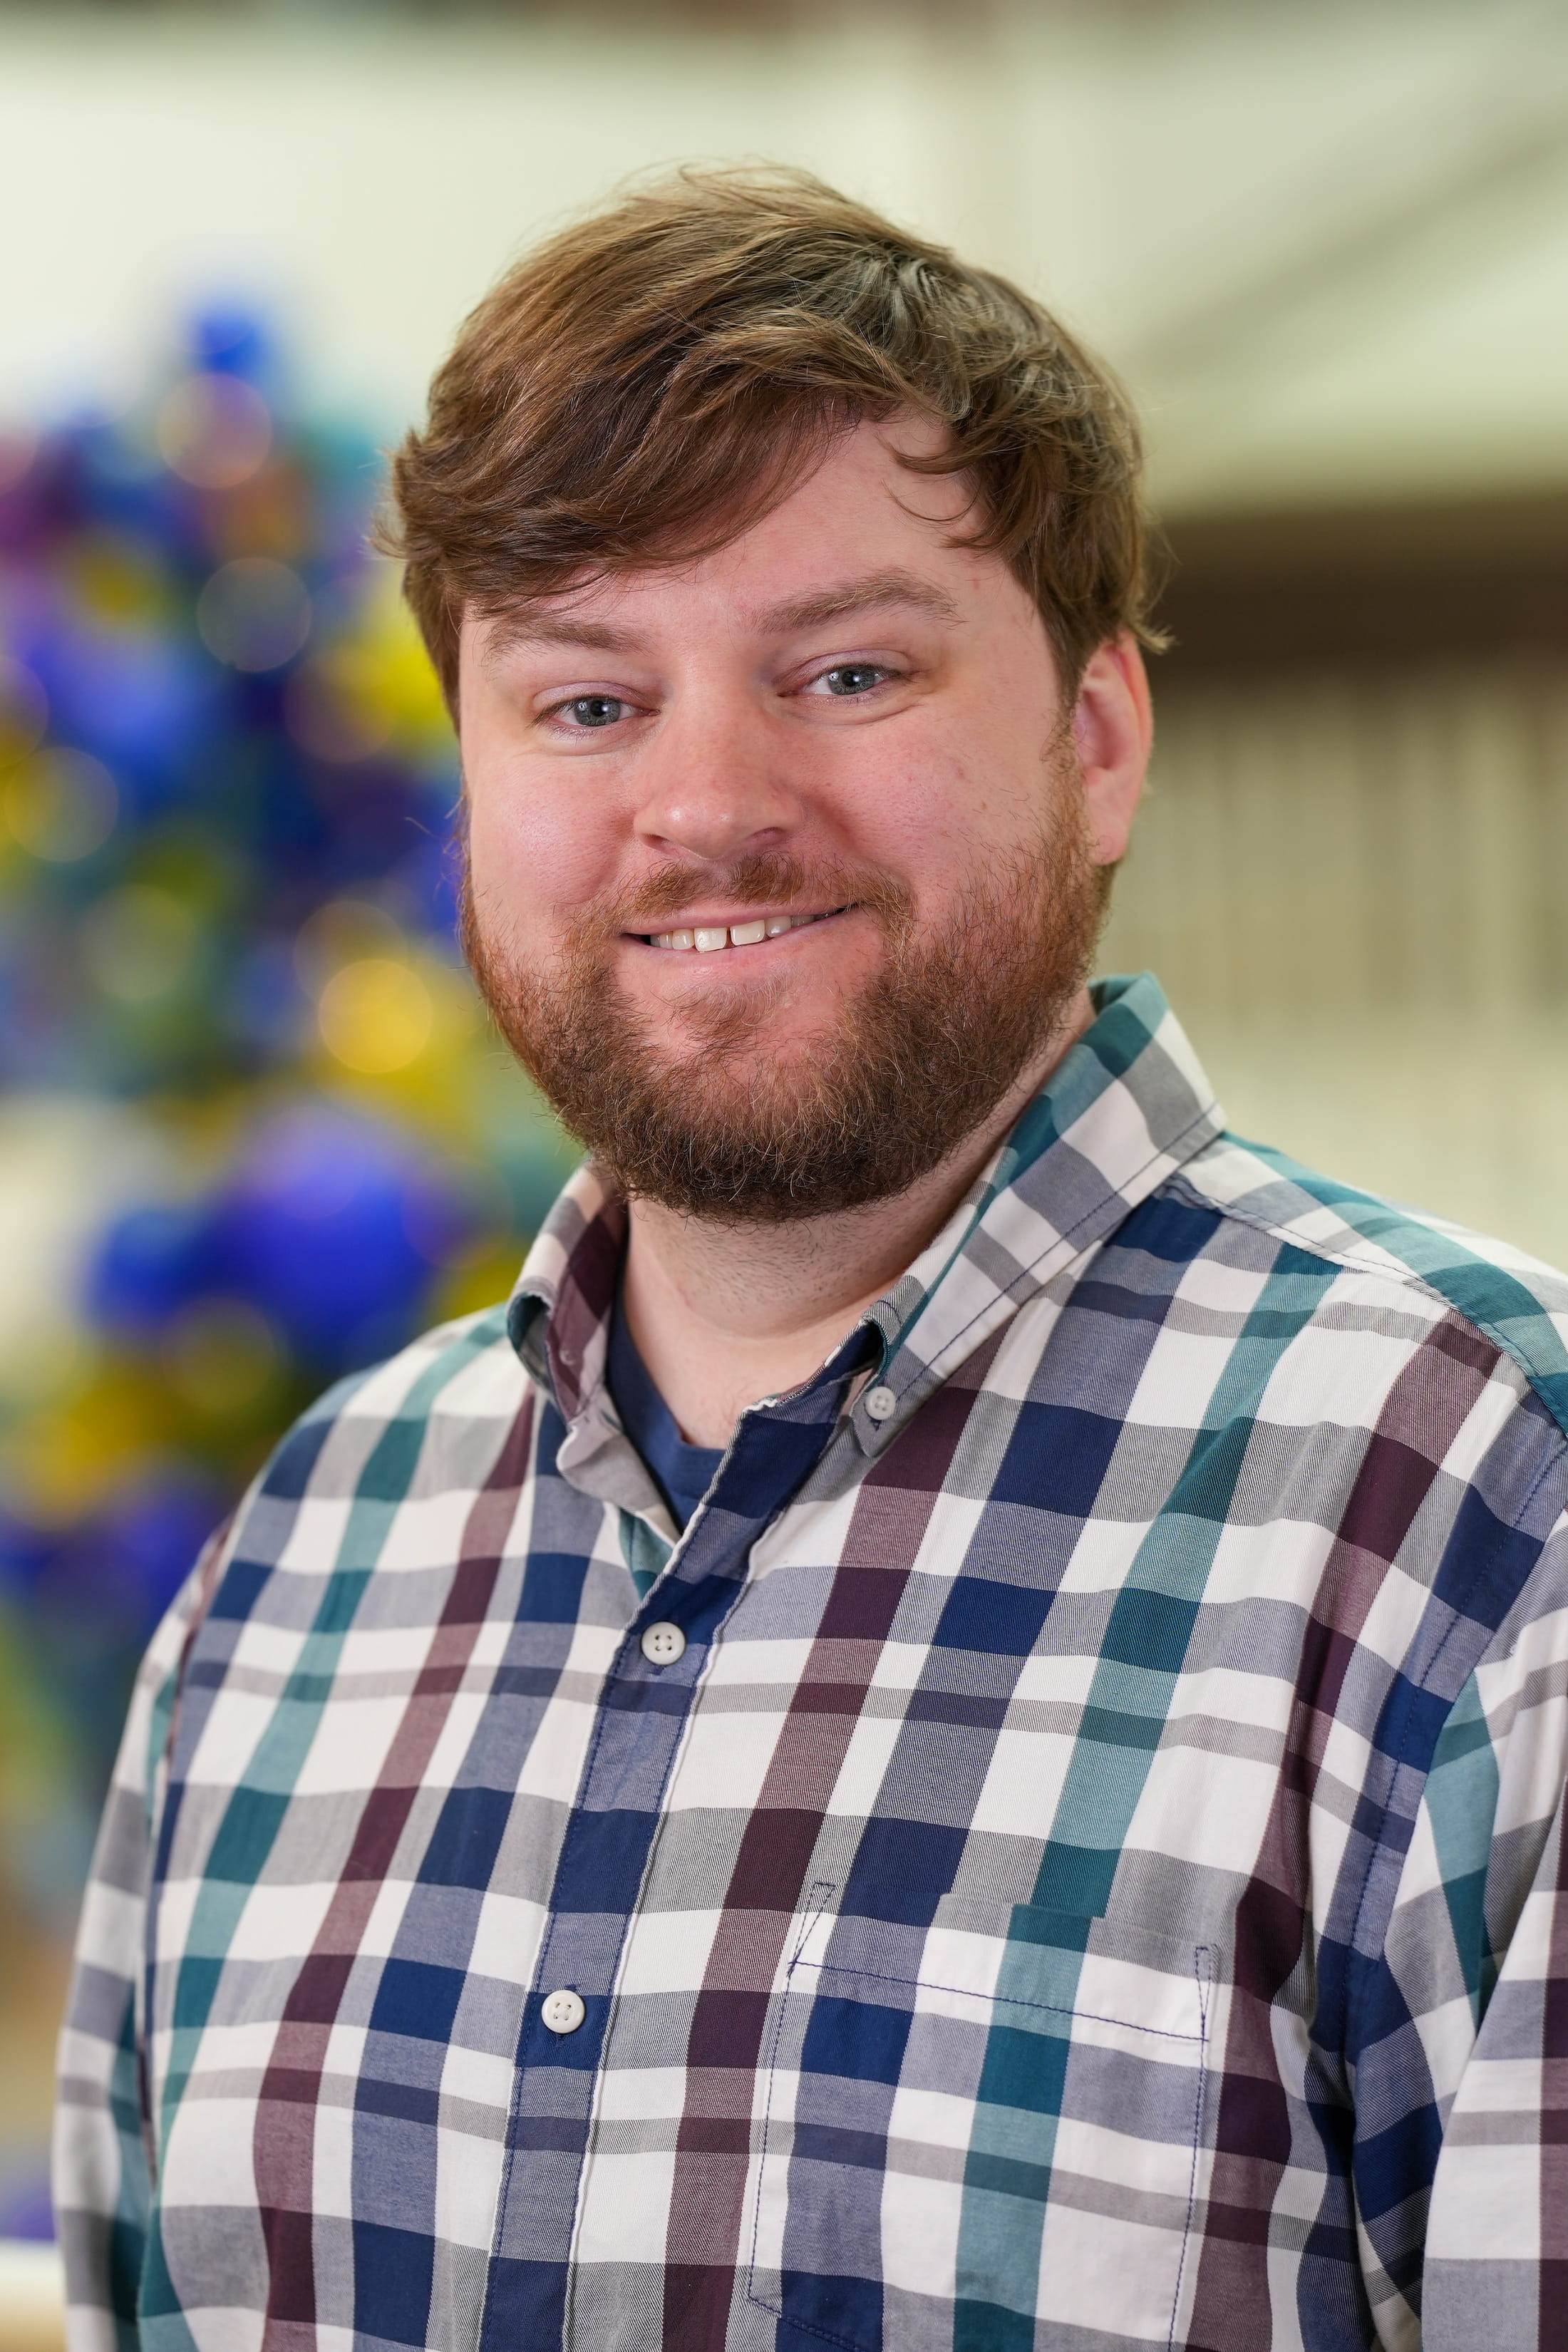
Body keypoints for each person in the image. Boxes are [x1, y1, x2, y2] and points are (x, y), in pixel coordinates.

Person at [53, 167, 1568, 2352]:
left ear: (1102, 732)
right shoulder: (302, 1557)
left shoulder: (1486, 1514)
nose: (707, 802)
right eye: (587, 705)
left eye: (845, 667)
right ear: (469, 784)